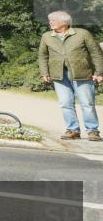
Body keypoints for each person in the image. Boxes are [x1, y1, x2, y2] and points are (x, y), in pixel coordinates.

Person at [38, 11, 103, 141]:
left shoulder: (82, 34)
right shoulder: (46, 36)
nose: (50, 22)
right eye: (50, 20)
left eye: (53, 20)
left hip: (82, 73)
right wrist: (44, 73)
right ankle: (73, 130)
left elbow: (96, 53)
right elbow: (43, 56)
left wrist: (99, 72)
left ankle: (93, 131)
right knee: (65, 103)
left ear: (64, 22)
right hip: (59, 75)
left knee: (87, 103)